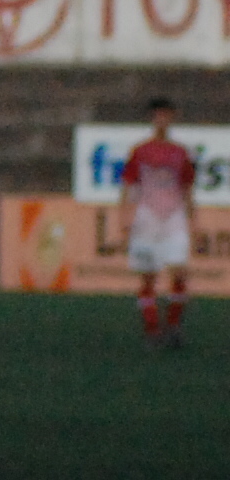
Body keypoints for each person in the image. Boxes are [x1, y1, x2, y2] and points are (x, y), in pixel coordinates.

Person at [120, 98, 197, 350]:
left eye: (166, 115)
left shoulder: (181, 152)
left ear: (172, 117)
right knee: (148, 276)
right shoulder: (140, 151)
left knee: (180, 271)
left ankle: (173, 326)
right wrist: (124, 216)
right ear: (152, 118)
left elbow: (186, 187)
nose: (162, 120)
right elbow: (129, 184)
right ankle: (153, 330)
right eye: (158, 115)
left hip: (173, 216)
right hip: (147, 217)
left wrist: (192, 218)